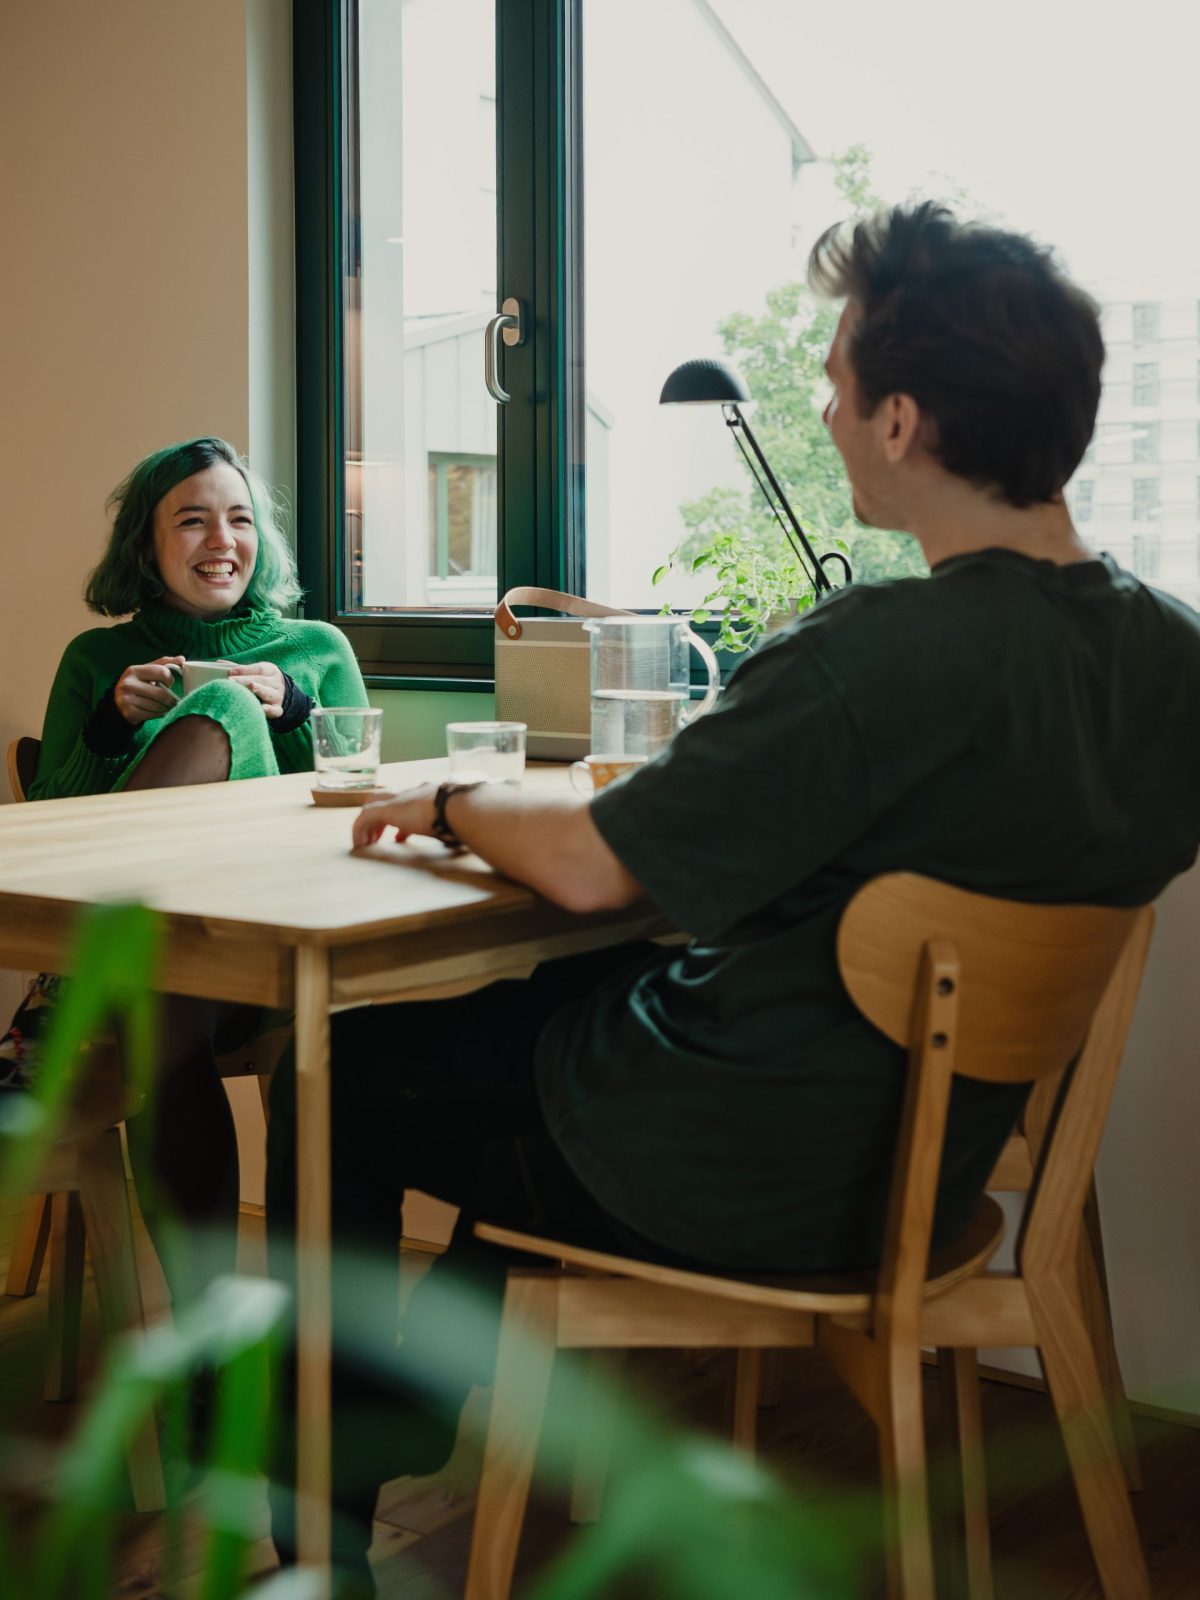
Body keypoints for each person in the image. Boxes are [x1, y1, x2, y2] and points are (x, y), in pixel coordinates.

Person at [266, 204, 1200, 1594]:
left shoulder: (882, 650)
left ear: (899, 421)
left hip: (734, 1168)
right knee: (529, 1010)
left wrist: (457, 800)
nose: (823, 412)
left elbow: (589, 861)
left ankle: (325, 1521)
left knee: (341, 1065)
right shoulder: (1169, 656)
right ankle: (423, 1418)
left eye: (833, 385)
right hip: (921, 1166)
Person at [14, 436, 368, 1312]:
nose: (223, 539)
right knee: (167, 1009)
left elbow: (362, 798)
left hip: (281, 946)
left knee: (292, 1044)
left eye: (240, 518)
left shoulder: (316, 648)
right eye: (193, 519)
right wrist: (106, 729)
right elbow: (49, 825)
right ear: (146, 546)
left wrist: (297, 708)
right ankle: (213, 1343)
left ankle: (286, 1342)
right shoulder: (97, 664)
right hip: (165, 966)